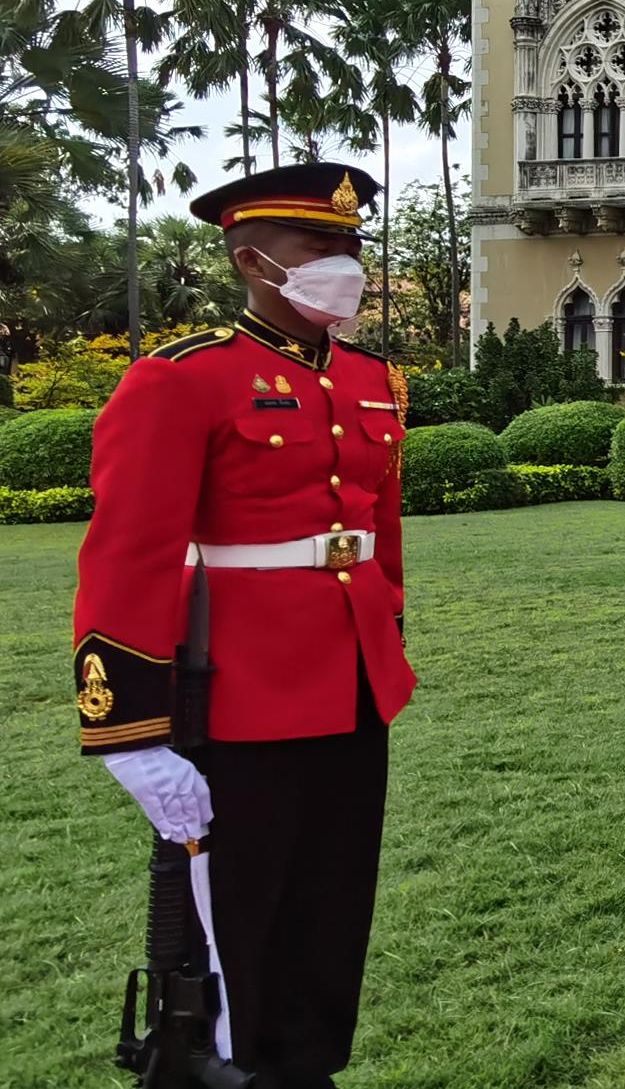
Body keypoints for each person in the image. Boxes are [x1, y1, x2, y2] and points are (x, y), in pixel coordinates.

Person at [76, 162, 415, 1083]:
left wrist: (387, 633)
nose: (345, 265)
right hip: (239, 694)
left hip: (353, 683)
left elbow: (378, 535)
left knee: (332, 905)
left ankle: (307, 1066)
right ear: (254, 261)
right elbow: (129, 555)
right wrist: (131, 734)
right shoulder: (181, 378)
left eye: (351, 246)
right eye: (321, 247)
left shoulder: (371, 378)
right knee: (237, 917)